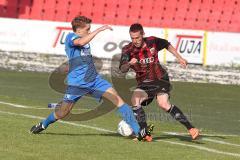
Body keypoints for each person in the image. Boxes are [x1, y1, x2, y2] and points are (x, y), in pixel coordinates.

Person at [30, 16, 153, 141]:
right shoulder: (70, 38)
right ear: (78, 31)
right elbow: (81, 42)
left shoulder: (84, 40)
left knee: (119, 101)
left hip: (95, 80)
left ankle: (139, 133)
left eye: (90, 29)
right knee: (63, 112)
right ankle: (43, 124)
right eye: (87, 29)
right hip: (77, 84)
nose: (89, 31)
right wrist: (99, 30)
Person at [119, 23, 199, 140]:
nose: (135, 40)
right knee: (135, 100)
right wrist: (129, 63)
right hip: (144, 82)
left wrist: (179, 57)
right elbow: (122, 69)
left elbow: (167, 44)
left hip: (160, 77)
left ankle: (191, 129)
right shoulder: (128, 50)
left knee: (163, 104)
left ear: (143, 34)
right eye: (133, 38)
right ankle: (145, 133)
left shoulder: (152, 41)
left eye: (138, 37)